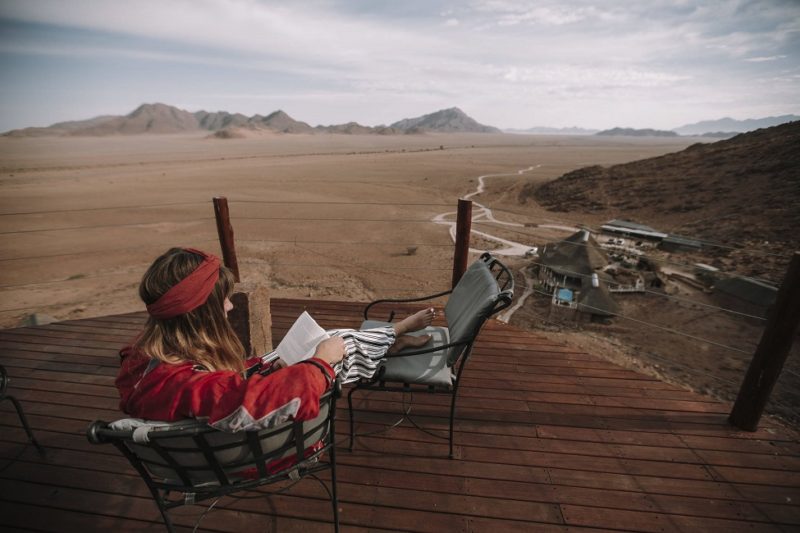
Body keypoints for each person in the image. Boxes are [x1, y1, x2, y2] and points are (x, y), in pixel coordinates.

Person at [116, 247, 434, 432]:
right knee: (340, 347)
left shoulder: (145, 363)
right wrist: (321, 363)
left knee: (331, 339)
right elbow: (247, 403)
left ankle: (389, 339)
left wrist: (260, 367)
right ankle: (395, 335)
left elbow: (220, 390)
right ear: (201, 315)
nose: (229, 306)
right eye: (223, 301)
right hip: (258, 451)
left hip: (227, 420)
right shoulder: (189, 386)